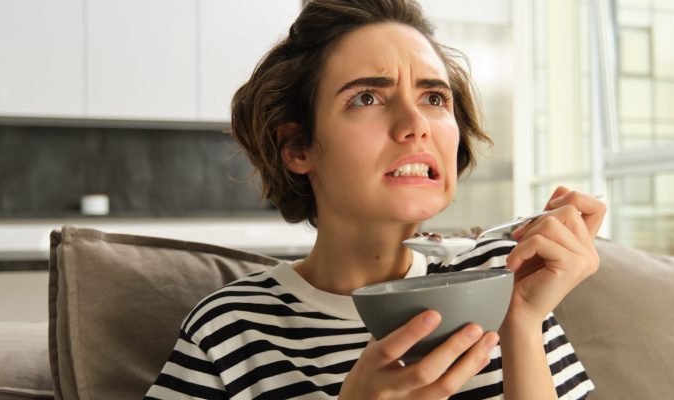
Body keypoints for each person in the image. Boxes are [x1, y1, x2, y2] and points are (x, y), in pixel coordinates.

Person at [147, 0, 606, 398]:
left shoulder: (504, 277)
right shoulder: (231, 329)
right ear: (298, 147)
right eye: (367, 97)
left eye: (433, 98)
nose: (415, 123)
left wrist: (523, 323)